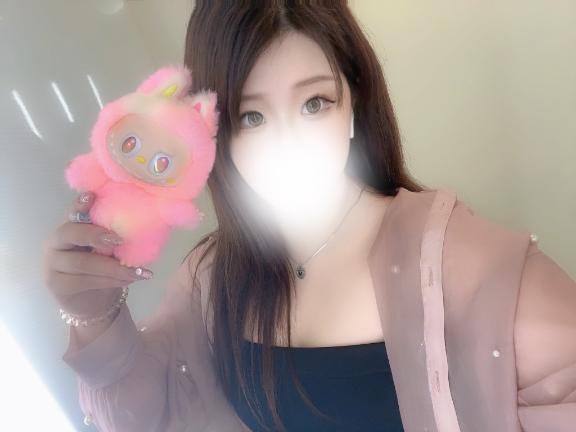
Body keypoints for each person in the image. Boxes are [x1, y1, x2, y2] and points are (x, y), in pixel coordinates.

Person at [42, 2, 576, 431]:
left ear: (353, 104)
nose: (289, 143)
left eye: (314, 103)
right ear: (215, 134)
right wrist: (95, 318)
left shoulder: (479, 271)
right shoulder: (212, 276)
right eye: (252, 116)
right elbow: (148, 415)